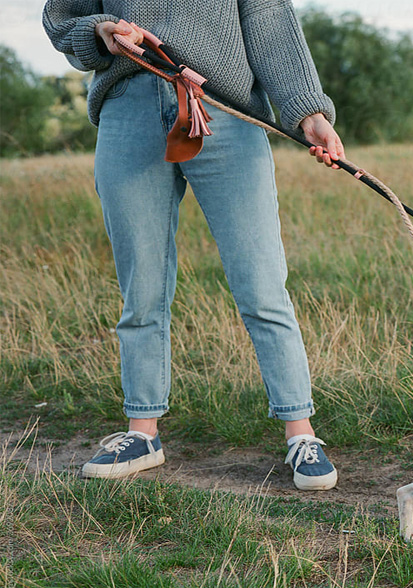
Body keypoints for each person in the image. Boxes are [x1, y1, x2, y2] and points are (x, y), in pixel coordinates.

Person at [42, 1, 345, 490]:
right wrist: (100, 30)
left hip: (225, 113)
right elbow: (63, 19)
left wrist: (307, 111)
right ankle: (143, 432)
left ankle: (300, 433)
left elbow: (271, 25)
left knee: (262, 282)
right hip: (129, 110)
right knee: (141, 287)